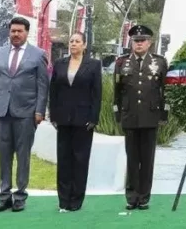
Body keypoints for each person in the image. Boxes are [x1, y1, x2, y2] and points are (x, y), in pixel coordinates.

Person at [0, 16, 50, 213]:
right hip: (2, 113)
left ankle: (20, 196)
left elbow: (42, 86)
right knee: (4, 156)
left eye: (19, 31)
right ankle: (4, 196)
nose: (15, 34)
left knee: (23, 156)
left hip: (26, 114)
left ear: (26, 33)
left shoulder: (38, 54)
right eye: (13, 31)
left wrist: (40, 110)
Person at [113, 24, 168, 210]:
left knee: (147, 159)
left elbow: (164, 90)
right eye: (136, 41)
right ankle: (131, 197)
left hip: (150, 116)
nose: (139, 44)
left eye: (142, 40)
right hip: (130, 116)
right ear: (131, 42)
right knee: (132, 159)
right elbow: (117, 91)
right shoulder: (122, 63)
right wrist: (117, 113)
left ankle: (144, 197)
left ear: (149, 42)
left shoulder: (159, 62)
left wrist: (164, 114)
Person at [49, 32, 103, 211]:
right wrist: (53, 115)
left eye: (77, 41)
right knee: (64, 160)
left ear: (84, 45)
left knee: (80, 160)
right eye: (71, 41)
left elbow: (97, 94)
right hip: (63, 119)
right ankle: (63, 200)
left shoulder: (93, 65)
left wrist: (93, 118)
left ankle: (76, 200)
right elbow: (54, 91)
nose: (73, 44)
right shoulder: (59, 64)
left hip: (84, 120)